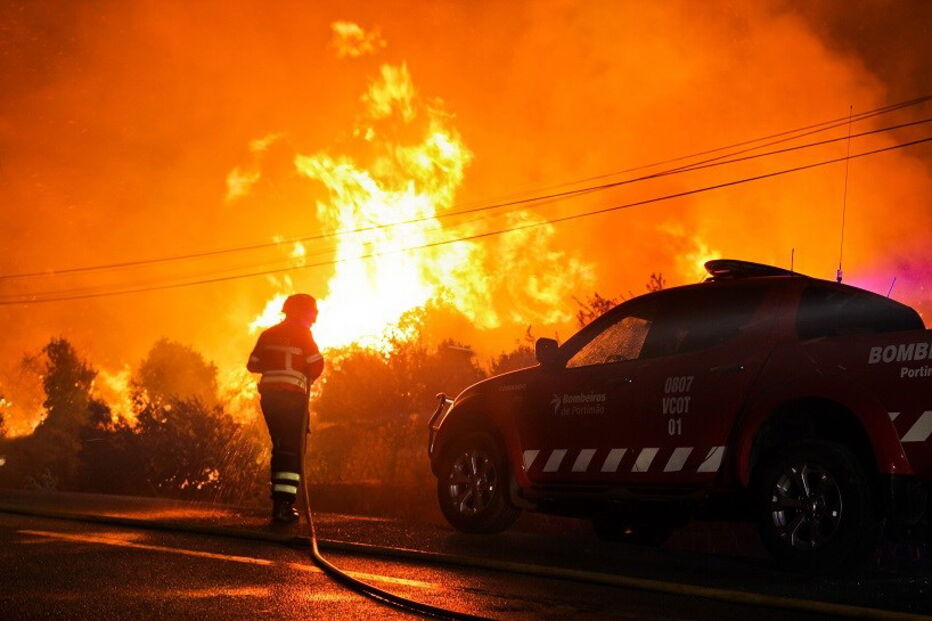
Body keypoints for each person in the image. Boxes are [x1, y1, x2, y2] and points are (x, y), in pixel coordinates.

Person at [246, 293, 324, 523]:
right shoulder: (303, 334)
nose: (315, 315)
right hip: (293, 400)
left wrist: (274, 361)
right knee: (292, 449)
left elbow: (253, 365)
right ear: (301, 311)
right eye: (312, 310)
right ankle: (283, 507)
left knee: (280, 446)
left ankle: (279, 504)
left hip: (270, 400)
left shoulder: (268, 334)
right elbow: (316, 364)